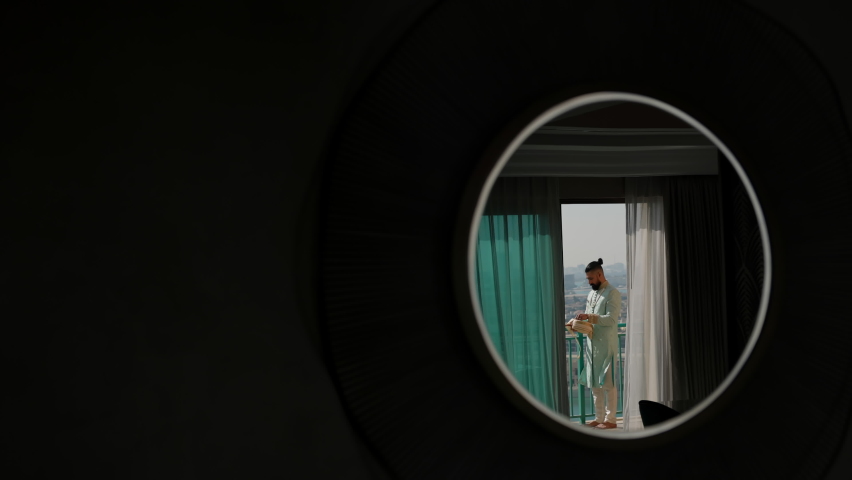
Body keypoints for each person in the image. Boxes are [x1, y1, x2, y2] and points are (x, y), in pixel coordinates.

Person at [566, 258, 622, 430]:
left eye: (591, 279)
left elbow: (611, 320)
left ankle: (611, 420)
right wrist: (576, 324)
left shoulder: (612, 293)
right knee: (594, 384)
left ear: (599, 274)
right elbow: (588, 320)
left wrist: (589, 317)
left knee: (608, 384)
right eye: (588, 279)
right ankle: (599, 418)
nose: (589, 282)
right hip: (592, 345)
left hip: (607, 346)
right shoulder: (591, 294)